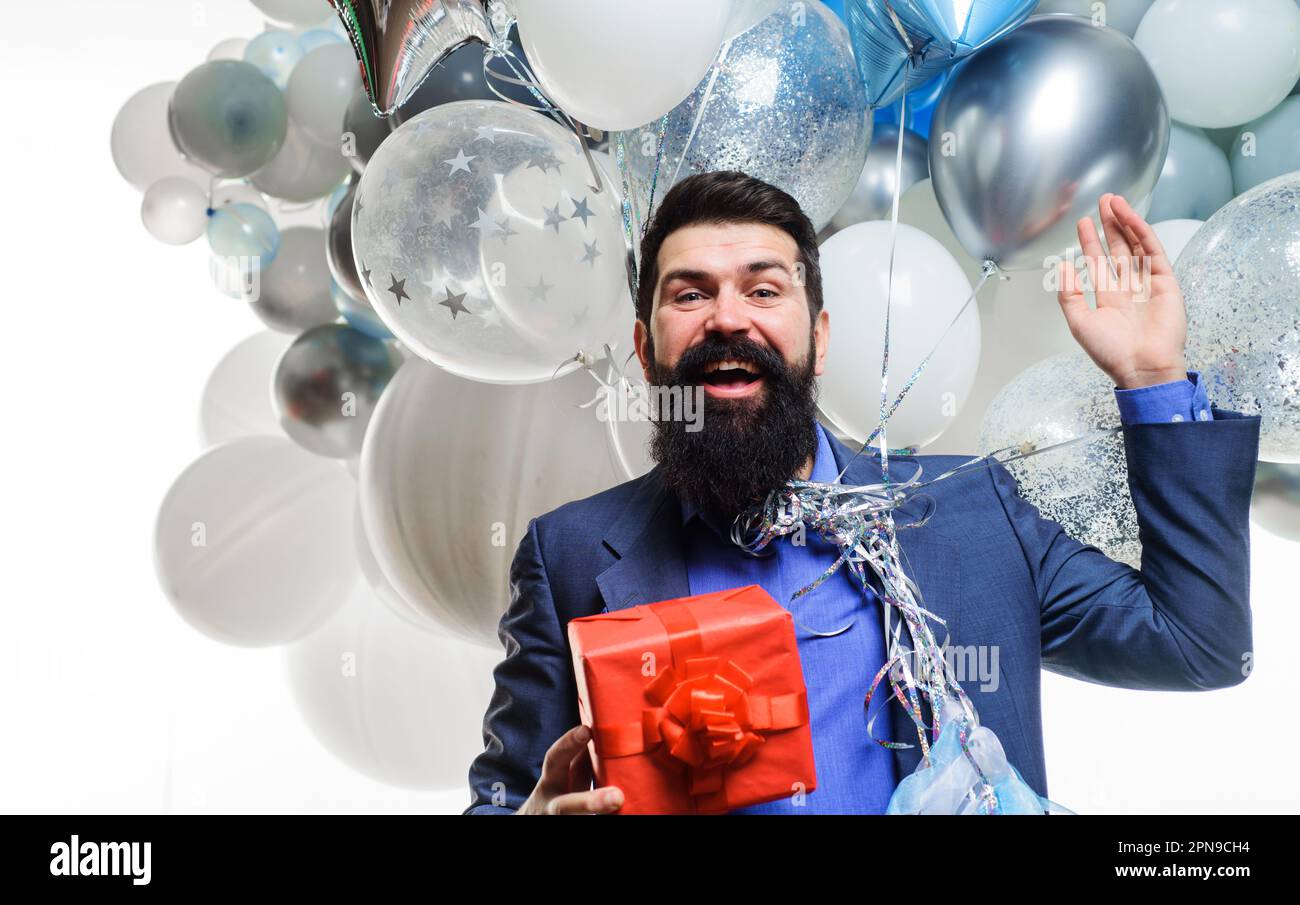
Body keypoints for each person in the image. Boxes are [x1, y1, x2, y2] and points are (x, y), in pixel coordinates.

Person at [463, 170, 1261, 815]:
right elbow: (501, 800)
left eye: (764, 290)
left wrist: (1153, 380)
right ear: (645, 351)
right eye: (690, 293)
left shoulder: (974, 510)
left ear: (819, 340)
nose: (727, 319)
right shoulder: (569, 555)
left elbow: (1200, 644)